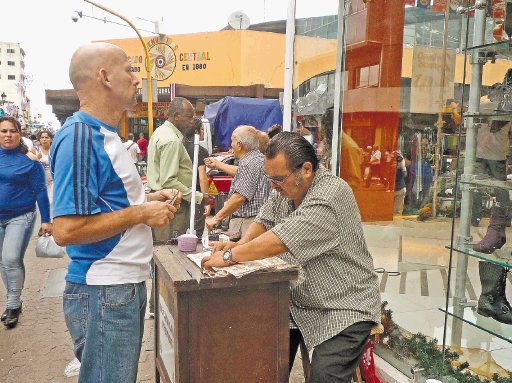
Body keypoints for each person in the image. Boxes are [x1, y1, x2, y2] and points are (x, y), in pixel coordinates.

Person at [202, 132, 380, 382]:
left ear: (306, 169)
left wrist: (231, 256)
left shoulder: (330, 196)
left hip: (343, 305)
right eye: (270, 178)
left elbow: (280, 238)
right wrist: (240, 243)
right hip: (300, 300)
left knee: (325, 376)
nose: (273, 185)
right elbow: (265, 220)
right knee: (262, 361)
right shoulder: (287, 186)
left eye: (278, 179)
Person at [50, 42, 180, 383]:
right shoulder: (80, 135)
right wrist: (140, 214)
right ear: (105, 76)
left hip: (120, 286)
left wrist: (150, 198)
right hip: (104, 288)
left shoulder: (104, 135)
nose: (137, 80)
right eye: (130, 70)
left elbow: (106, 203)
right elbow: (65, 230)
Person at [0, 115, 52, 329]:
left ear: (19, 134)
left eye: (12, 131)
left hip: (21, 216)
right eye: (4, 131)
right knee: (2, 262)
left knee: (11, 258)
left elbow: (41, 191)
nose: (8, 135)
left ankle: (12, 303)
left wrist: (47, 220)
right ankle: (15, 300)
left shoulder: (30, 162)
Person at [147, 97, 212, 240]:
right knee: (169, 251)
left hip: (166, 201)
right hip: (172, 204)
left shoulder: (160, 132)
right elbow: (169, 182)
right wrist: (198, 196)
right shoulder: (171, 140)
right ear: (176, 116)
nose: (192, 121)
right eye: (189, 117)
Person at [205, 125, 271, 237]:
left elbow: (239, 197)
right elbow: (241, 172)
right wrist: (217, 164)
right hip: (260, 221)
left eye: (232, 141)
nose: (231, 145)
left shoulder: (247, 163)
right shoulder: (259, 159)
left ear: (239, 145)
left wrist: (216, 218)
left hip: (247, 223)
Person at [182, 117, 210, 238]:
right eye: (202, 129)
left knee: (181, 230)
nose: (203, 132)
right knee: (197, 232)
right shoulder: (200, 150)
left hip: (181, 193)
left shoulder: (179, 146)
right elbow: (202, 177)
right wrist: (206, 200)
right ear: (197, 132)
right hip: (196, 194)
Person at [393, 150, 407, 215]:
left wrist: (402, 165)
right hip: (396, 190)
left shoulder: (400, 168)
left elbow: (405, 174)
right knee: (395, 212)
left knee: (396, 213)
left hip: (399, 190)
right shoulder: (395, 167)